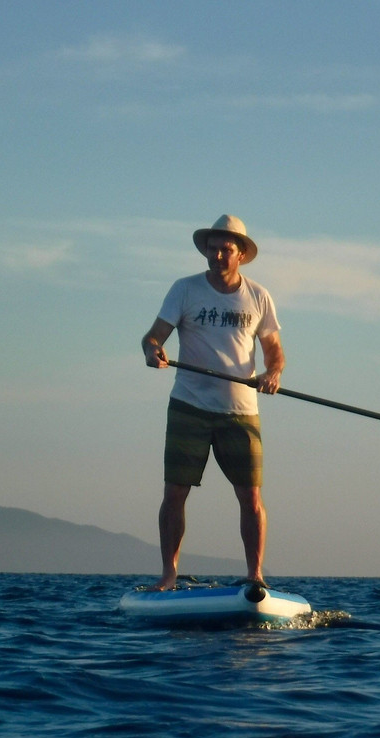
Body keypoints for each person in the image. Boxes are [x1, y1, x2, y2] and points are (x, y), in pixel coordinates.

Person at [141, 214, 285, 591]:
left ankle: (255, 575)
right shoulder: (184, 290)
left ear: (241, 255)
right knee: (175, 492)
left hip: (241, 412)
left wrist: (272, 373)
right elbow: (153, 337)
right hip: (188, 405)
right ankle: (169, 575)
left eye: (226, 250)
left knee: (251, 496)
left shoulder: (259, 296)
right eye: (212, 249)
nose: (218, 255)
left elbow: (274, 352)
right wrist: (153, 351)